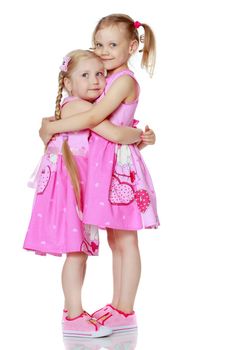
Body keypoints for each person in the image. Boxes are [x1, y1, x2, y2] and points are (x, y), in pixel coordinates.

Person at [39, 13, 160, 333]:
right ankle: (120, 306)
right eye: (98, 44)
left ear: (132, 47)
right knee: (115, 239)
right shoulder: (104, 77)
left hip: (117, 167)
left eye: (112, 45)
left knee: (126, 239)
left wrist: (51, 125)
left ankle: (125, 308)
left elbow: (95, 117)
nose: (104, 51)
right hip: (101, 167)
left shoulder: (123, 80)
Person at [24, 49, 145, 338]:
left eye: (100, 74)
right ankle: (73, 316)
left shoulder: (79, 108)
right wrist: (137, 135)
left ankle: (74, 312)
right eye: (85, 75)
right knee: (76, 253)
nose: (95, 81)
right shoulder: (78, 108)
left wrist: (140, 137)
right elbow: (115, 134)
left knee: (79, 253)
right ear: (67, 83)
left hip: (76, 188)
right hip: (68, 188)